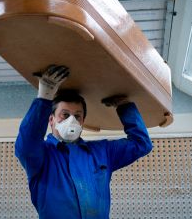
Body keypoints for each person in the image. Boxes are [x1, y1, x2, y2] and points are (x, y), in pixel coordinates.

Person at [15, 65, 153, 218]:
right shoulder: (42, 156)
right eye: (65, 115)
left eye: (77, 116)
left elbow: (141, 144)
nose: (71, 120)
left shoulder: (102, 152)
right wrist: (45, 95)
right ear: (51, 120)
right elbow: (27, 144)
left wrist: (124, 106)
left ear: (83, 121)